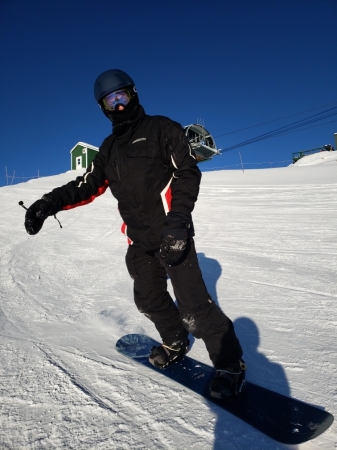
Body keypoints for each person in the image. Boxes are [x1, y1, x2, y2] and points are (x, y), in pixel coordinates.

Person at [24, 69, 245, 399]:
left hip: (173, 232)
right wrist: (46, 204)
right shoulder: (109, 149)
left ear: (134, 93)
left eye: (122, 95)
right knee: (148, 299)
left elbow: (187, 173)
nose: (118, 104)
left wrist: (178, 221)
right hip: (139, 242)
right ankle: (174, 341)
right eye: (110, 100)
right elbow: (85, 186)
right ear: (103, 107)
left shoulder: (161, 129)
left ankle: (230, 366)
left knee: (195, 308)